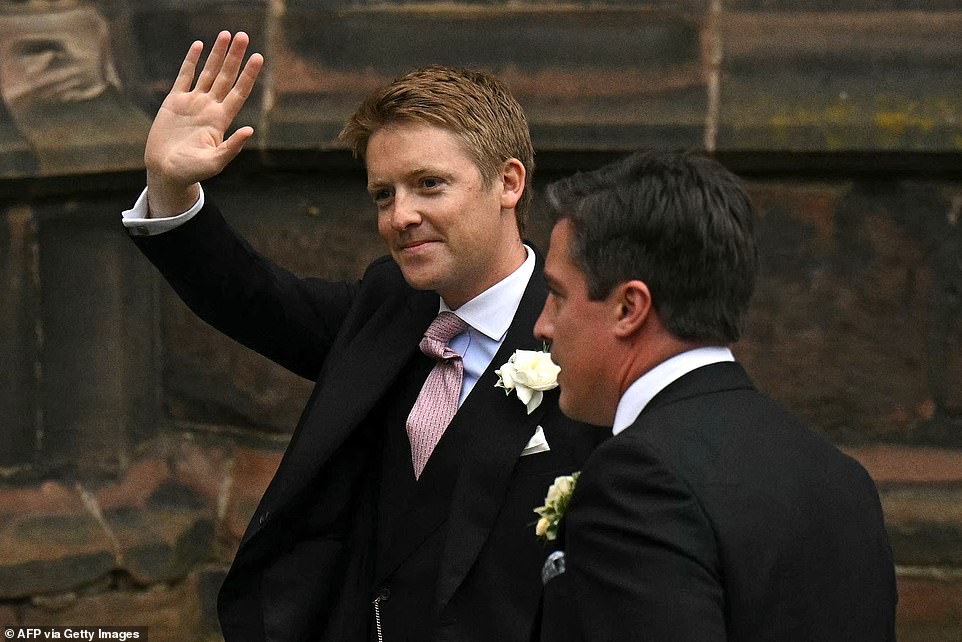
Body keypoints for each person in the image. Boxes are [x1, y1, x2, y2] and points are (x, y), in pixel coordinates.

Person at [121, 31, 601, 641]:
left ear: (509, 183)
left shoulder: (580, 337)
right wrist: (170, 186)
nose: (400, 216)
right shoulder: (387, 304)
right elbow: (255, 299)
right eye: (384, 194)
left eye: (429, 184)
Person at [532, 150, 897, 641]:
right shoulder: (841, 478)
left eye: (557, 295)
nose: (543, 326)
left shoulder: (639, 480)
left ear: (628, 307)